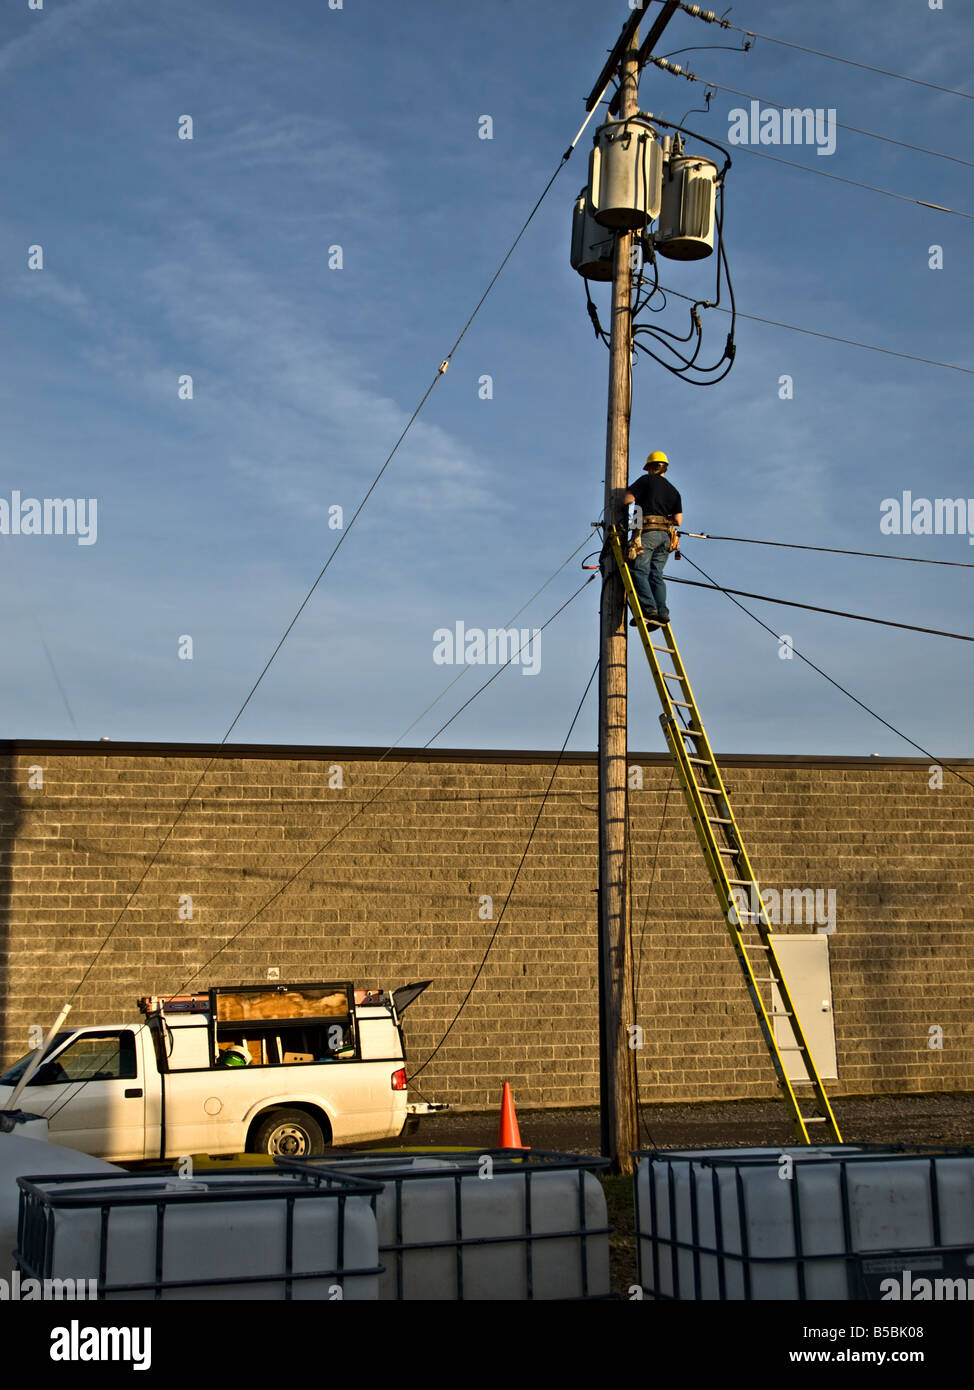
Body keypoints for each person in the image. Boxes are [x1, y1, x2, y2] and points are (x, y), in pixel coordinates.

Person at [624, 450, 683, 630]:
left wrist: (619, 494)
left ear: (650, 467)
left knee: (638, 570)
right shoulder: (674, 491)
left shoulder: (645, 480)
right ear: (664, 468)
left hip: (647, 533)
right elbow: (678, 520)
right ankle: (662, 613)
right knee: (656, 574)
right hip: (665, 537)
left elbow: (627, 499)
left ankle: (648, 609)